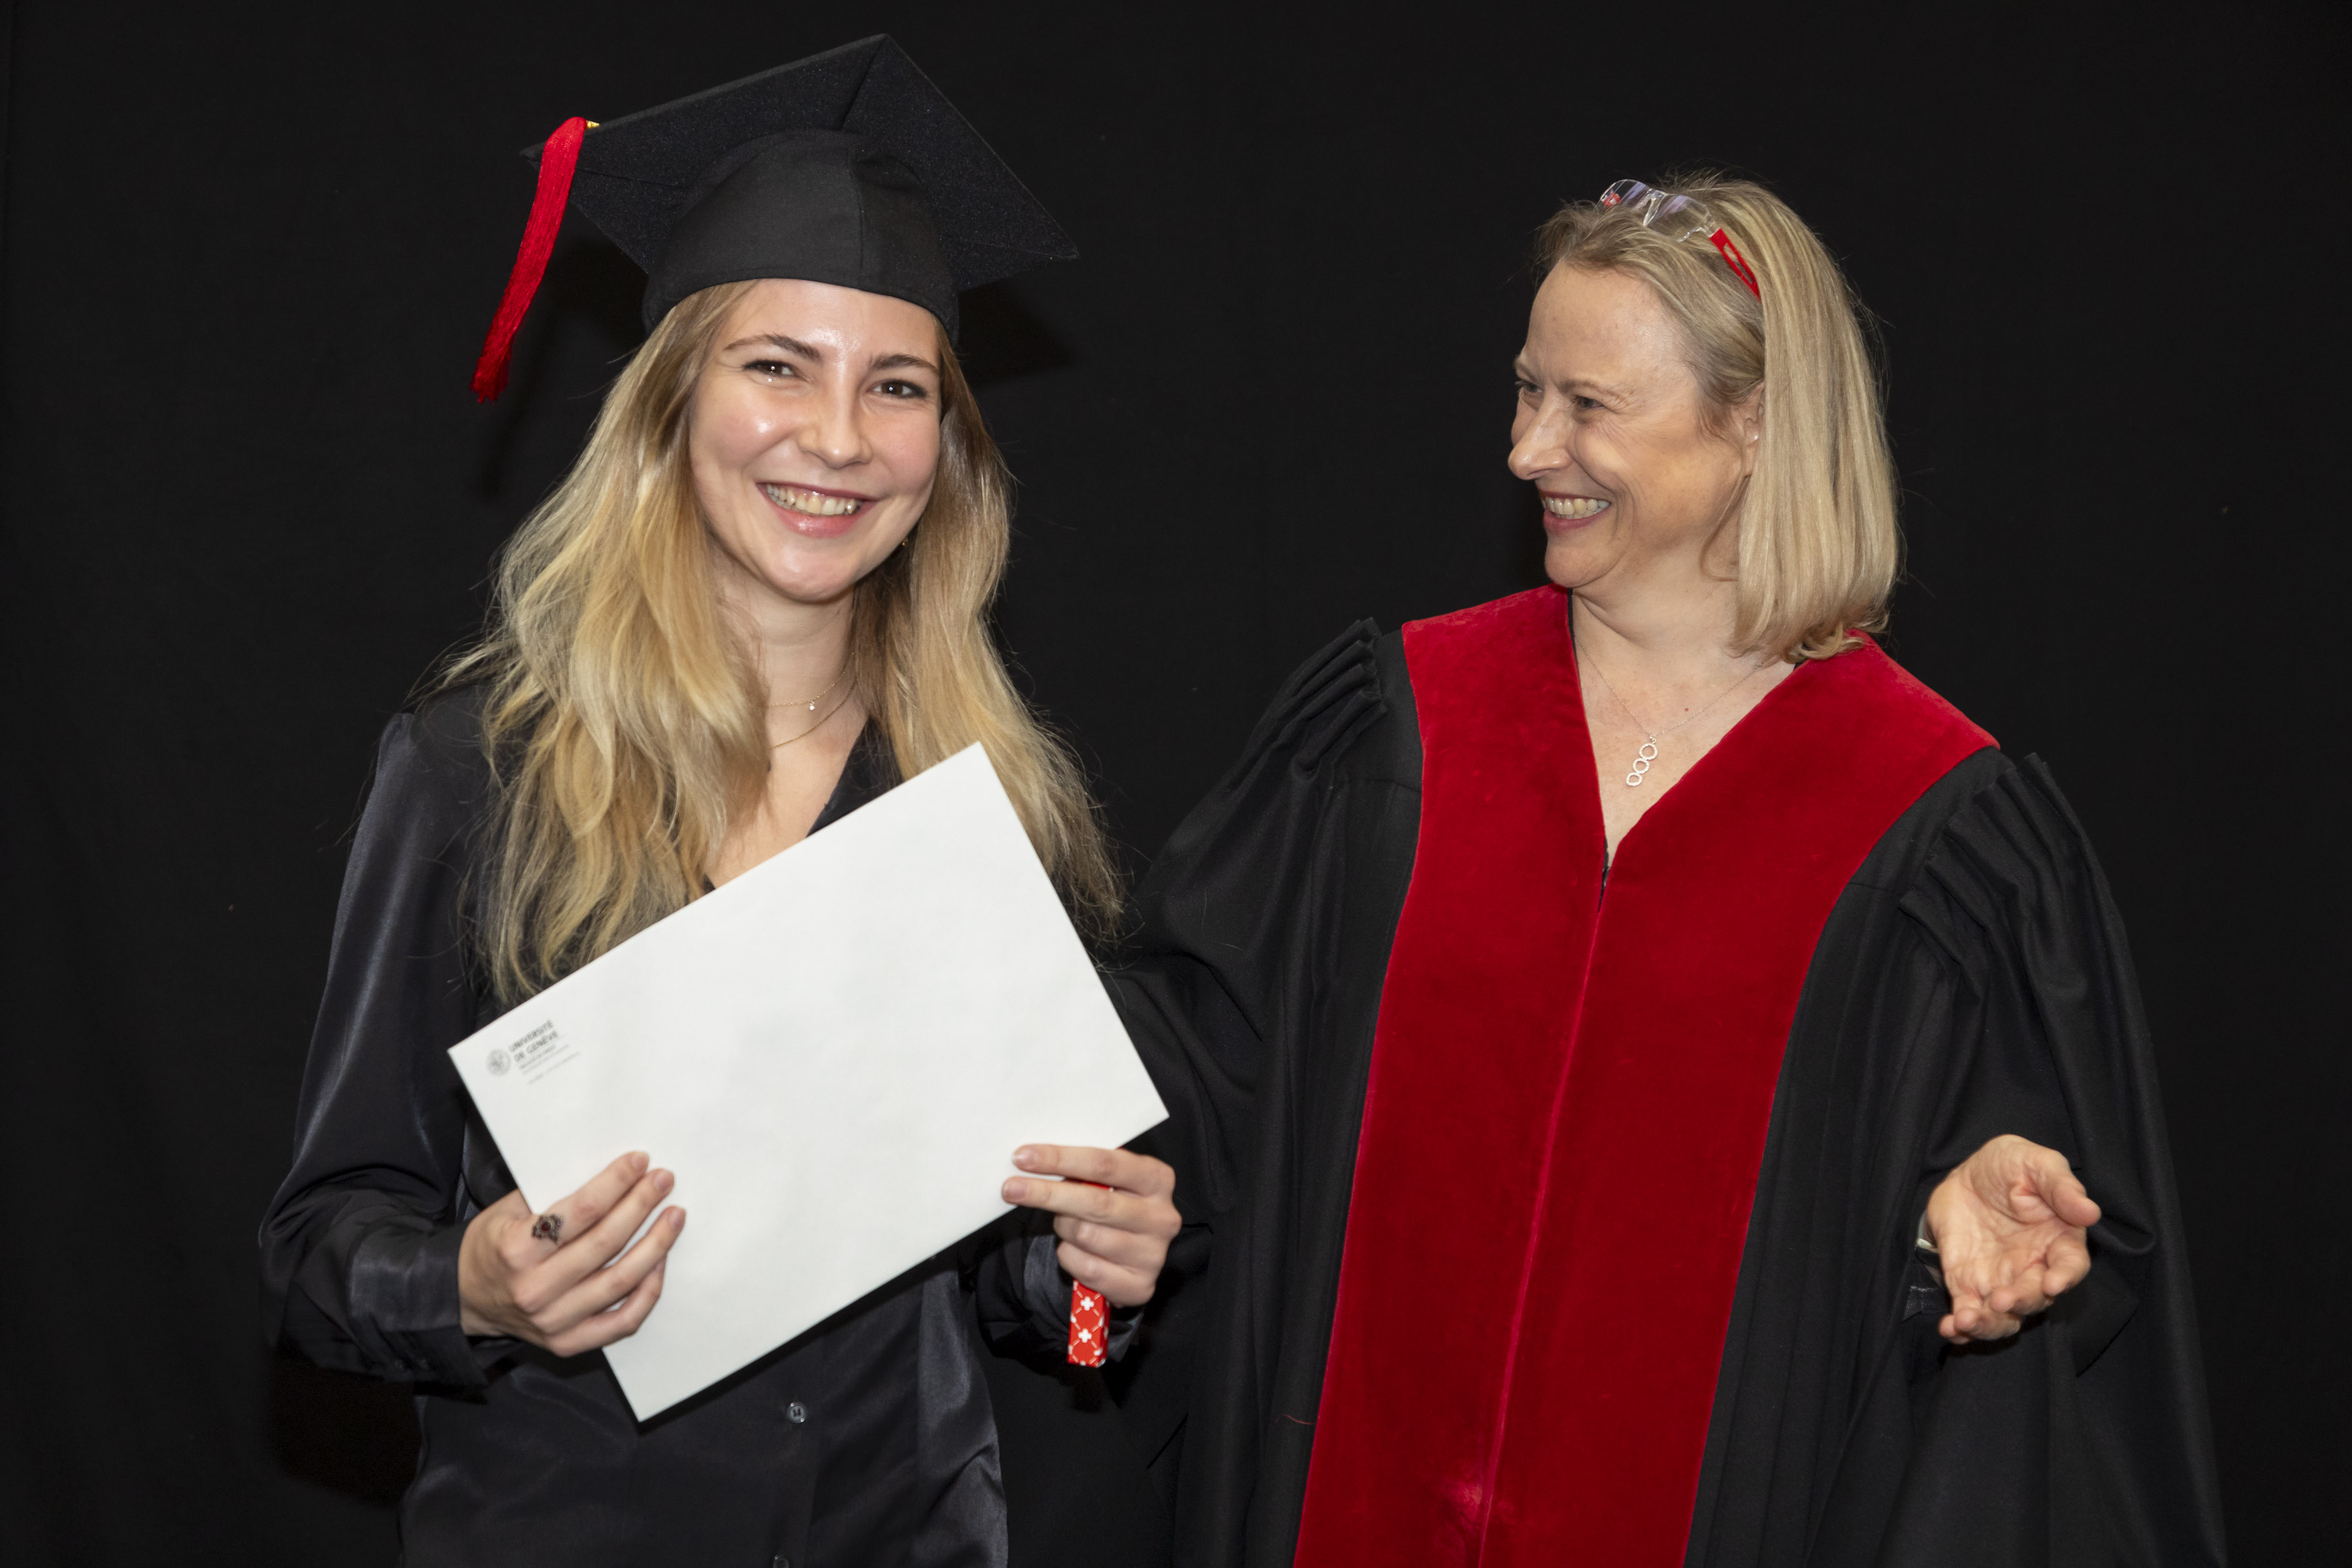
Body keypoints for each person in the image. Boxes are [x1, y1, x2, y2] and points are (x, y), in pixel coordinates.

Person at [1111, 176, 2223, 1565]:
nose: (1528, 448)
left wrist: (1952, 1219)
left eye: (1589, 404)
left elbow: (2026, 1274)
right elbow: (1196, 1081)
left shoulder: (1933, 827)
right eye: (1528, 390)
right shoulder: (1399, 727)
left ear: (1754, 423)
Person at [259, 39, 1181, 1568]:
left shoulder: (972, 805)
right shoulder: (481, 770)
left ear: (945, 450)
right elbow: (315, 1257)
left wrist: (1101, 1280)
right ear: (672, 402)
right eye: (778, 366)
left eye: (897, 387)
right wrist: (474, 1289)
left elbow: (1044, 1308)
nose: (840, 438)